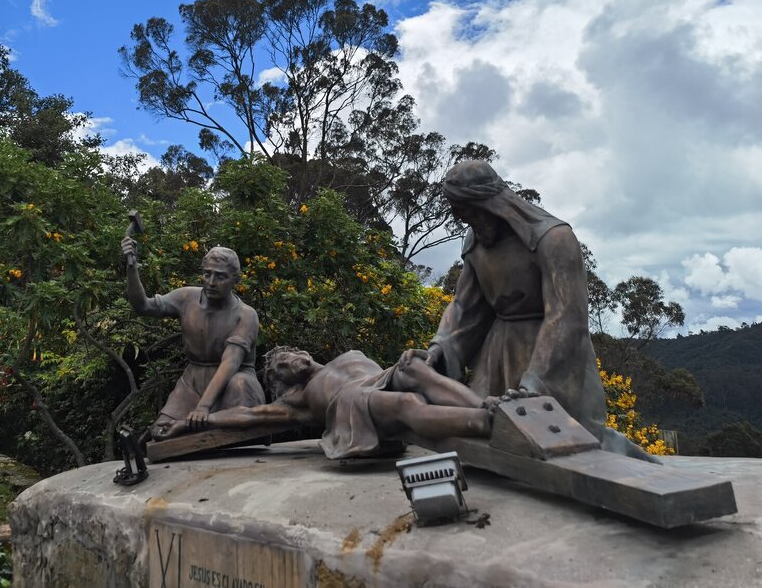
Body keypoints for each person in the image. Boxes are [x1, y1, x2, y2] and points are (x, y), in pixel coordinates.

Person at [423, 160, 652, 459]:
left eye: (466, 211)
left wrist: (535, 382)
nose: (463, 220)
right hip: (497, 356)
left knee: (572, 446)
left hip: (551, 353)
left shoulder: (554, 238)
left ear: (489, 204)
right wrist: (440, 347)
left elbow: (566, 317)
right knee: (489, 439)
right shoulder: (475, 242)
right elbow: (465, 306)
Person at [158, 346, 492, 459]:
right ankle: (485, 422)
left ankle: (486, 407)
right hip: (356, 404)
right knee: (407, 403)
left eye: (288, 355)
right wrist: (190, 421)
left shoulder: (349, 356)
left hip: (382, 378)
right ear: (286, 383)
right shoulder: (300, 400)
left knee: (415, 368)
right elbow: (249, 414)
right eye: (282, 367)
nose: (290, 360)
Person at [122, 238, 265, 440]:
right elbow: (143, 306)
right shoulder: (186, 298)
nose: (211, 282)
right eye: (207, 274)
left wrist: (203, 407)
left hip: (233, 384)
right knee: (160, 433)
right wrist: (131, 266)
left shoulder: (246, 315)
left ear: (236, 280)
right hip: (193, 382)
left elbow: (230, 362)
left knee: (231, 431)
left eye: (220, 276)